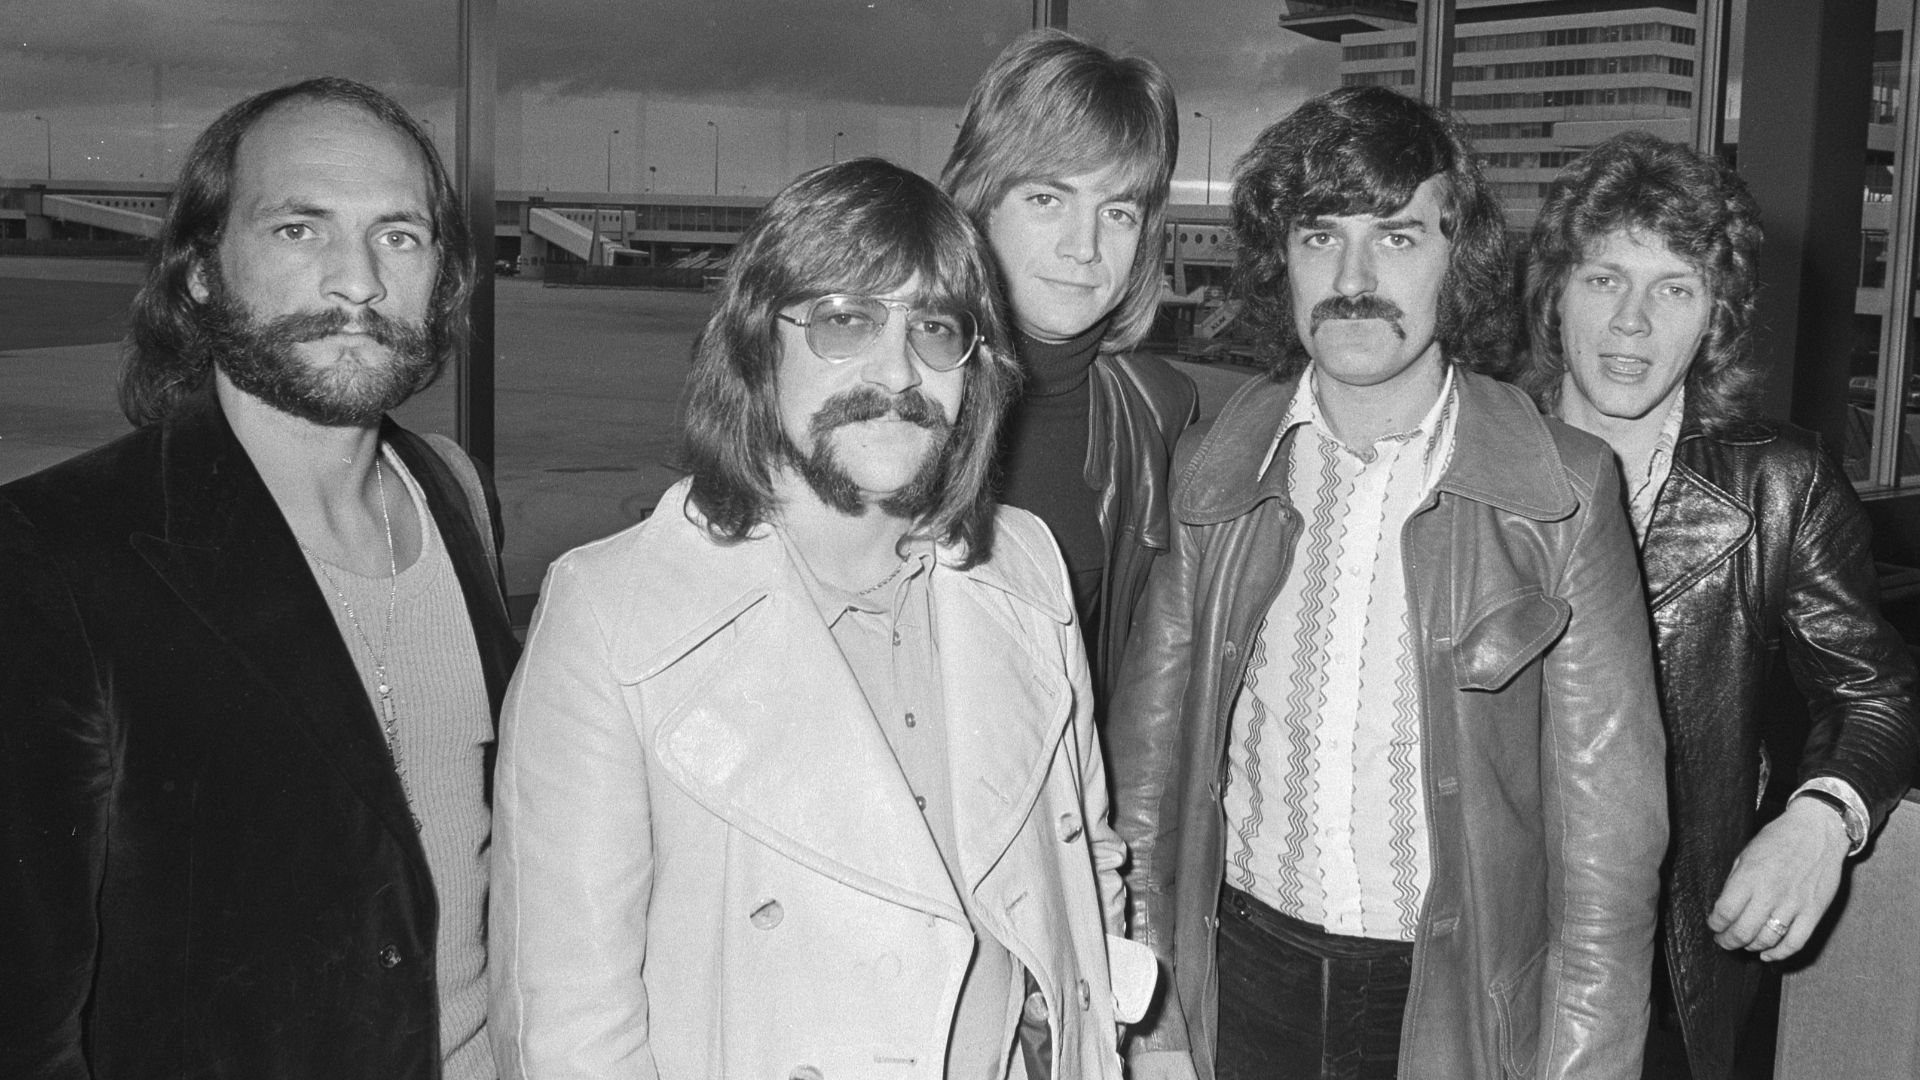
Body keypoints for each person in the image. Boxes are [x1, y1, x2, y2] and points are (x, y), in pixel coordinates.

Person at [488, 158, 1153, 1080]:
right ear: (759, 352)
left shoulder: (1025, 569)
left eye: (934, 328)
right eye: (846, 322)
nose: (898, 371)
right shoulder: (610, 616)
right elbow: (568, 1027)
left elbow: (1085, 866)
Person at [1105, 85, 1669, 1080]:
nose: (1355, 278)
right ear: (1279, 259)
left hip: (1449, 1000)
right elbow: (1146, 783)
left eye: (1400, 238)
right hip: (1239, 978)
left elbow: (1607, 854)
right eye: (1321, 238)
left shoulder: (1562, 488)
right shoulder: (1219, 459)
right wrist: (1152, 1017)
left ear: (1461, 261)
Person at [0, 77, 519, 1079]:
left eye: (399, 236)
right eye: (299, 230)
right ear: (200, 272)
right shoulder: (53, 553)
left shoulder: (455, 494)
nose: (358, 282)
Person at [1520, 131, 1920, 1080]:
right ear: (1555, 294)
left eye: (1674, 288)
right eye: (1605, 278)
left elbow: (1878, 694)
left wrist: (1823, 818)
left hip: (1669, 964)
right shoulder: (1471, 459)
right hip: (1472, 941)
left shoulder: (1781, 482)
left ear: (1713, 319)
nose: (1632, 323)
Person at [942, 29, 1198, 711]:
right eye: (1047, 200)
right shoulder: (902, 394)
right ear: (979, 201)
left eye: (1116, 212)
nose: (1083, 247)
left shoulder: (1158, 414)